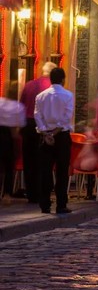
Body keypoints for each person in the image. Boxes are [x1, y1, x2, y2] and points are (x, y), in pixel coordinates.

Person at [35, 67, 74, 214]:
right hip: (61, 136)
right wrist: (55, 133)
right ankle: (61, 204)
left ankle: (44, 204)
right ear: (63, 80)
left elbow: (37, 116)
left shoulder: (40, 96)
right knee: (62, 171)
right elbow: (66, 117)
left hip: (45, 137)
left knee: (45, 171)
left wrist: (46, 134)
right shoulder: (68, 95)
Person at [19, 61, 55, 203]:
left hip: (27, 124)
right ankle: (42, 193)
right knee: (43, 160)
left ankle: (31, 193)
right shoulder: (51, 87)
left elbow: (21, 105)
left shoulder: (29, 84)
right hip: (42, 125)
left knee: (29, 160)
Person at [0, 84, 25, 205]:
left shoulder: (0, 103)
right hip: (9, 136)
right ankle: (7, 194)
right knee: (9, 168)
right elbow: (18, 126)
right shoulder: (18, 107)